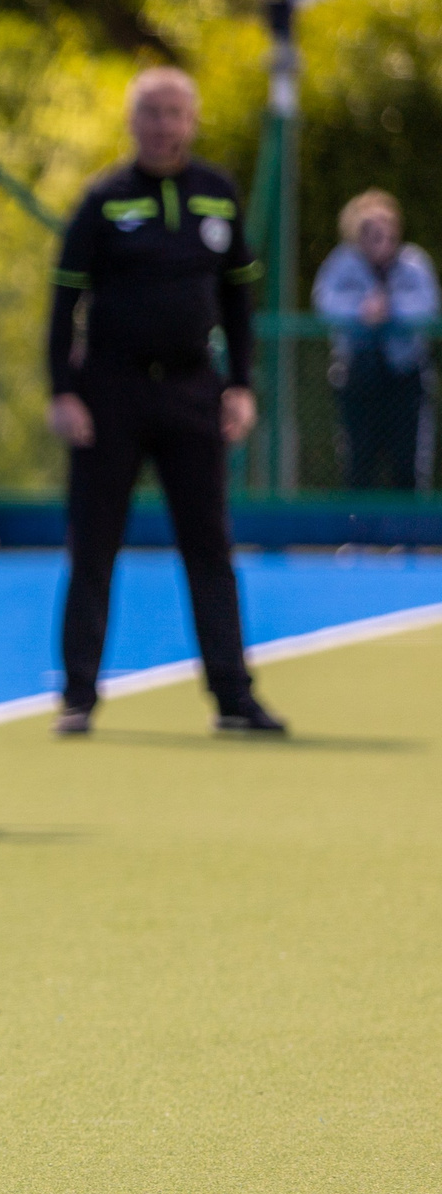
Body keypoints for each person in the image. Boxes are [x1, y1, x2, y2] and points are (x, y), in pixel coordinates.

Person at [48, 66, 283, 737]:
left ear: (192, 120)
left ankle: (233, 697)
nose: (163, 125)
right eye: (151, 112)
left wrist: (240, 384)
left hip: (191, 391)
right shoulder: (103, 199)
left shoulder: (217, 194)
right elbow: (64, 302)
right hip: (111, 393)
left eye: (174, 112)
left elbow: (238, 298)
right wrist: (63, 392)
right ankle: (78, 695)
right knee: (94, 545)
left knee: (209, 546)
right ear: (132, 121)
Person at [312, 188, 438, 491]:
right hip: (357, 373)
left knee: (407, 461)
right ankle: (357, 522)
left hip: (405, 374)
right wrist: (361, 311)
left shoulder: (413, 263)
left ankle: (408, 523)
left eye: (388, 229)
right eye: (371, 231)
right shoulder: (343, 263)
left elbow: (428, 304)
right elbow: (325, 302)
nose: (382, 239)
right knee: (358, 459)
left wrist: (391, 309)